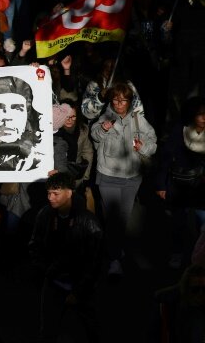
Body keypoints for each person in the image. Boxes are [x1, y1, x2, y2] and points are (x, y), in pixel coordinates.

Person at [91, 82, 157, 276]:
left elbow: (153, 143)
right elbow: (94, 136)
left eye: (123, 100)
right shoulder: (104, 117)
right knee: (113, 219)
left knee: (123, 218)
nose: (119, 104)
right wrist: (103, 129)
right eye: (115, 100)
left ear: (129, 101)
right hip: (108, 176)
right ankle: (114, 259)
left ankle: (115, 251)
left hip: (132, 178)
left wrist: (142, 147)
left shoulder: (138, 119)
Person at [29, 172, 103, 343]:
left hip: (80, 284)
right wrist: (45, 270)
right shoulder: (45, 215)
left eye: (56, 193)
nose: (50, 198)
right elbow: (35, 245)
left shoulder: (87, 221)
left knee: (89, 328)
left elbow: (95, 260)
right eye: (48, 193)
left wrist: (79, 291)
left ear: (69, 192)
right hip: (53, 280)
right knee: (48, 328)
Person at [156, 98, 205, 270]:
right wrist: (161, 184)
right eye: (200, 114)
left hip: (201, 186)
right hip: (179, 184)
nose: (204, 118)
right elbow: (166, 160)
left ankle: (200, 259)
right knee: (178, 222)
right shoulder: (180, 131)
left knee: (203, 224)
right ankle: (177, 254)